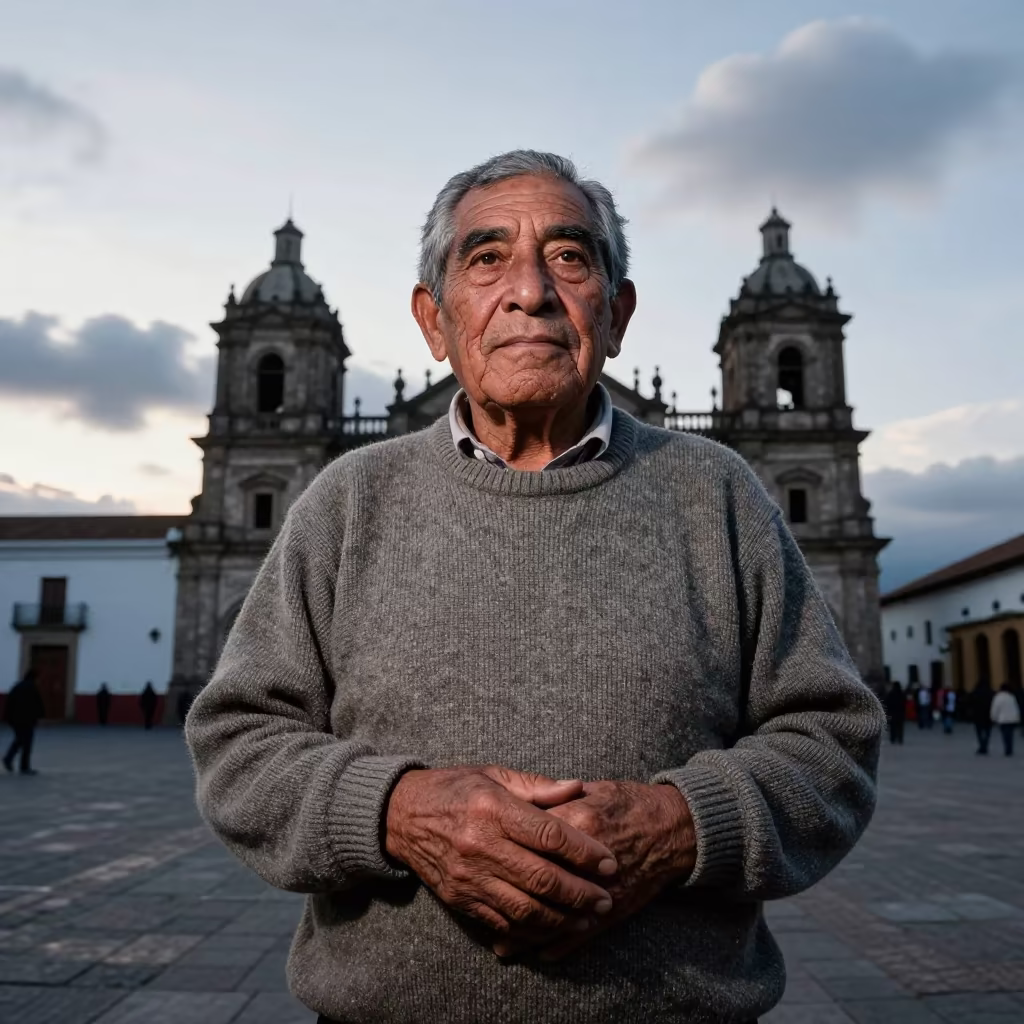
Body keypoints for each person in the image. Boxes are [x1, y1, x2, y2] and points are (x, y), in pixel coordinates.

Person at [185, 150, 885, 1024]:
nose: (530, 293)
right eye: (485, 260)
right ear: (433, 322)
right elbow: (238, 740)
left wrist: (681, 825)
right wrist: (397, 812)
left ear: (617, 312)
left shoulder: (721, 491)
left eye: (569, 256)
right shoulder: (345, 498)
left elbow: (834, 740)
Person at [2, 670, 45, 775]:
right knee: (26, 743)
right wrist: (40, 716)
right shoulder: (32, 688)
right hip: (27, 720)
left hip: (15, 719)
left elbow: (9, 703)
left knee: (20, 739)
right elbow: (36, 703)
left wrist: (8, 718)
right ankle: (23, 766)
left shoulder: (17, 687)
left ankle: (9, 759)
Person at [991, 683, 1021, 757]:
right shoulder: (1011, 696)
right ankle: (1010, 748)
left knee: (1005, 734)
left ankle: (1007, 749)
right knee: (1010, 734)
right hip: (1012, 718)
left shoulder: (998, 697)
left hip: (1003, 719)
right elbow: (1015, 707)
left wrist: (993, 717)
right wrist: (1017, 717)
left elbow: (995, 708)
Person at [973, 680, 993, 755]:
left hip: (978, 715)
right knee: (987, 731)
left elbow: (971, 702)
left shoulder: (976, 692)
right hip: (988, 715)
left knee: (979, 732)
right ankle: (985, 744)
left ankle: (982, 745)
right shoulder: (991, 692)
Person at [884, 681, 906, 745]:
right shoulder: (901, 693)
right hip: (900, 713)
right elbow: (904, 703)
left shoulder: (891, 693)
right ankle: (900, 738)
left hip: (893, 713)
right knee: (900, 727)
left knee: (893, 727)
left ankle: (893, 738)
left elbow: (887, 703)